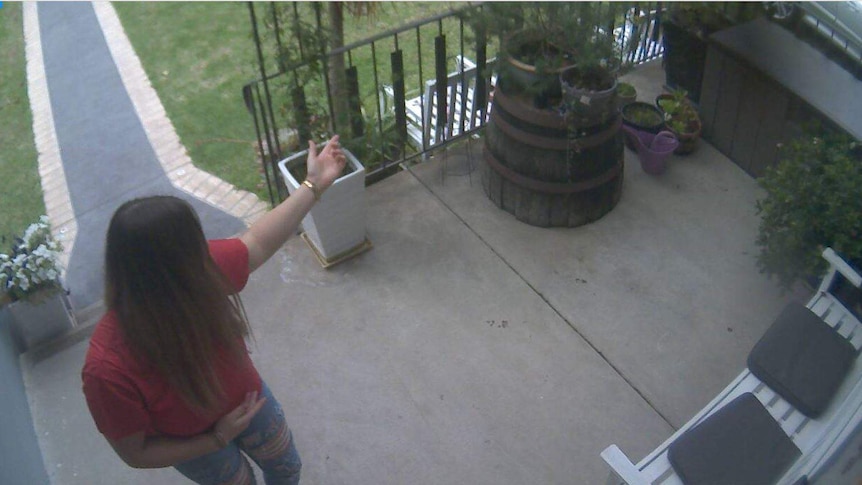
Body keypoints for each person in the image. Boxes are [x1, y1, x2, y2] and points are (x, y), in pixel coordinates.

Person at [82, 136, 347, 484]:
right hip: (195, 445)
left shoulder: (197, 273)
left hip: (251, 402)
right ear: (171, 269)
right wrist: (216, 438)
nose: (205, 253)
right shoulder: (106, 369)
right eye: (194, 246)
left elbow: (256, 242)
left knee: (287, 469)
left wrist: (315, 183)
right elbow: (136, 452)